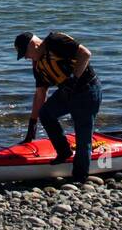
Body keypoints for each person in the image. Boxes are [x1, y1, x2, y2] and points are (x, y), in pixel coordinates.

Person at [14, 30, 102, 183]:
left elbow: (85, 54)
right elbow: (40, 95)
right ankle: (64, 151)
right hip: (67, 93)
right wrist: (32, 126)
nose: (26, 58)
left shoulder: (56, 41)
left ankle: (79, 177)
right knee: (46, 114)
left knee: (83, 136)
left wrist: (74, 80)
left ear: (34, 45)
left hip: (87, 91)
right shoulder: (37, 65)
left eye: (26, 53)